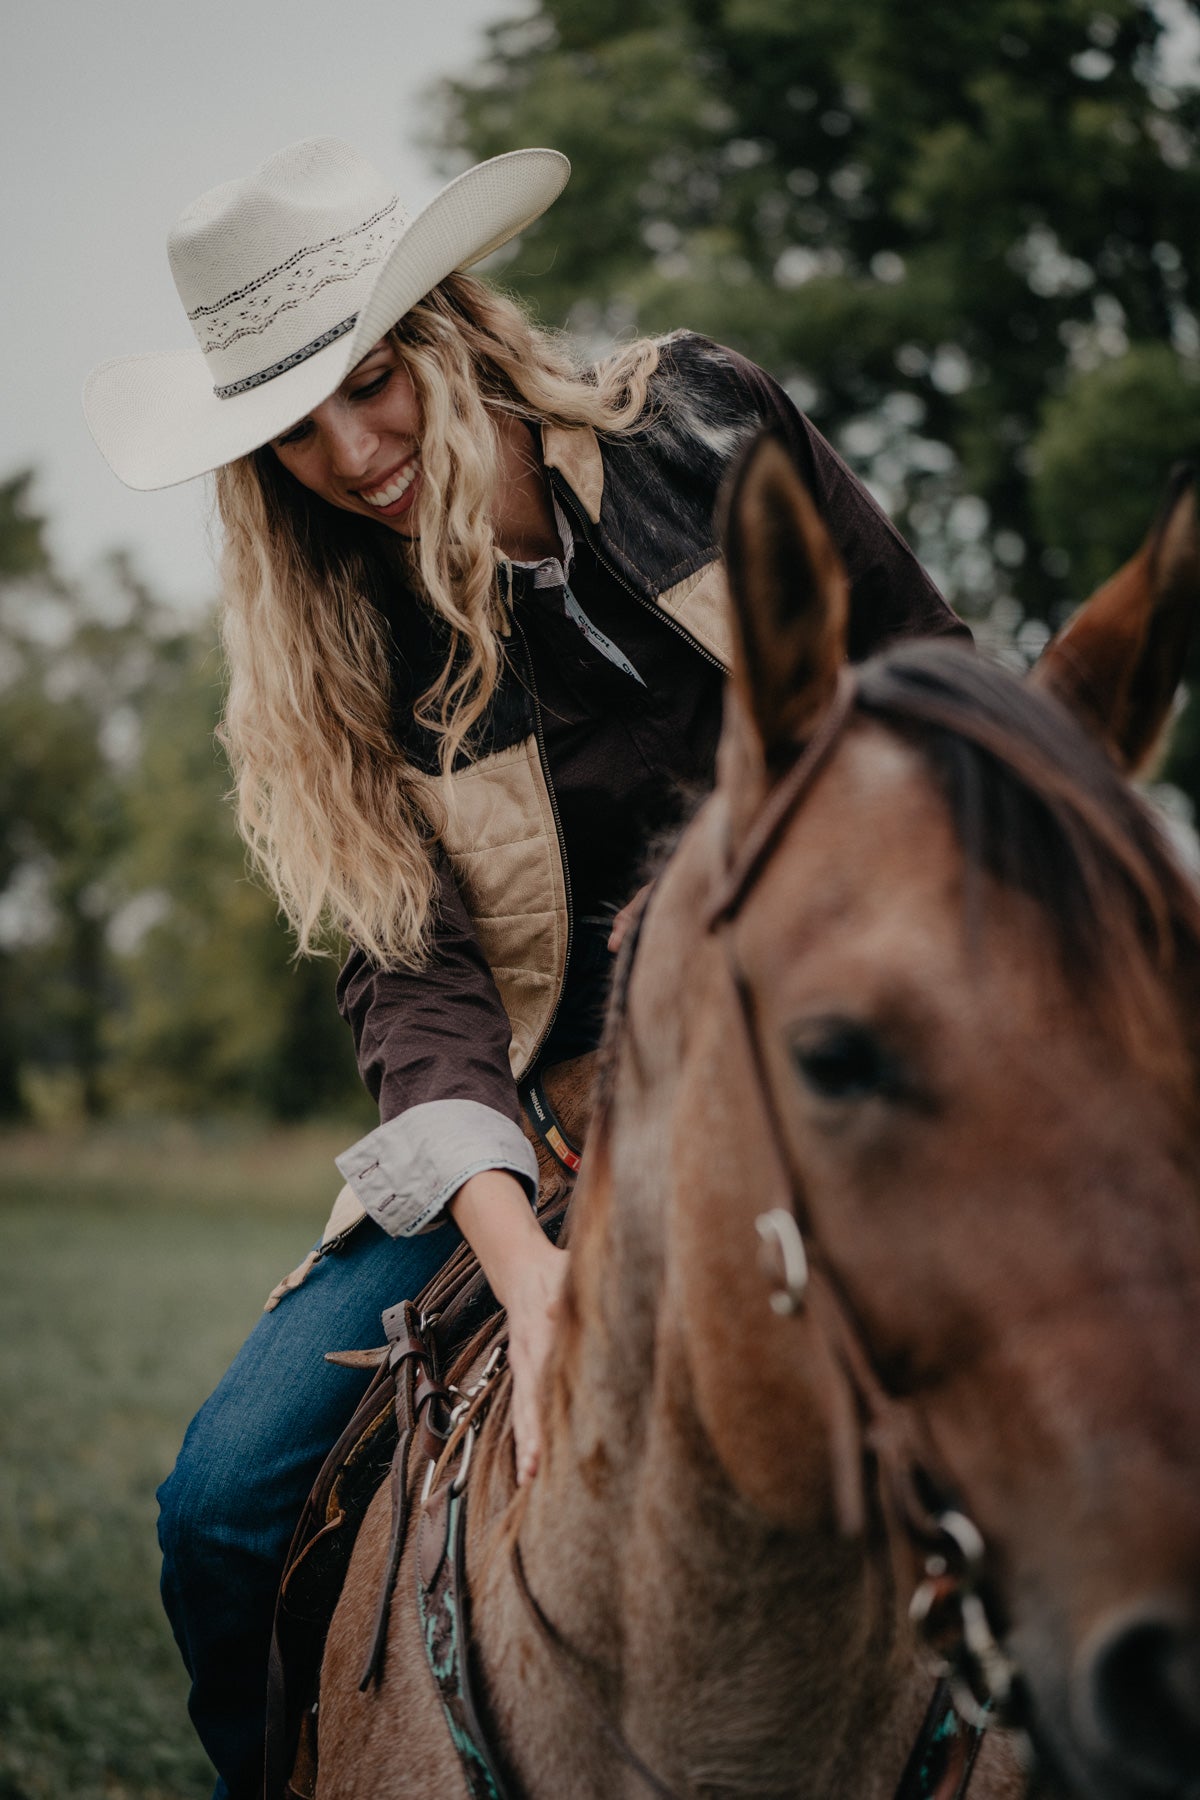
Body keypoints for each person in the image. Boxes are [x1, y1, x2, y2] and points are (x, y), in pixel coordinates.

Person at [84, 136, 967, 1798]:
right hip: (547, 1136)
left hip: (857, 1052)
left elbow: (923, 676)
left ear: (442, 323)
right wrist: (535, 1269)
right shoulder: (339, 648)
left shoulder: (699, 424)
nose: (353, 456)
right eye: (292, 433)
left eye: (369, 385)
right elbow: (414, 985)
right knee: (222, 1499)